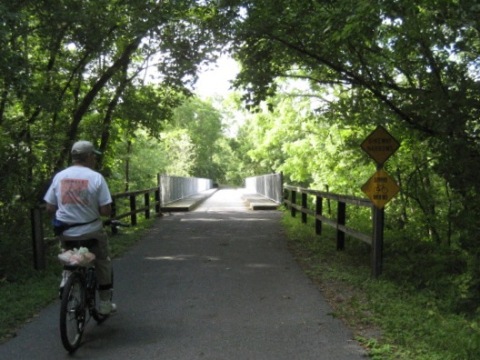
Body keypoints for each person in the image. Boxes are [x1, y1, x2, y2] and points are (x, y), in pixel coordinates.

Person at [44, 140, 116, 315]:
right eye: (94, 157)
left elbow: (50, 207)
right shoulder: (96, 177)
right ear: (89, 157)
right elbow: (106, 210)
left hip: (66, 232)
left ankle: (68, 282)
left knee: (71, 257)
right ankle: (105, 303)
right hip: (91, 231)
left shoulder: (60, 177)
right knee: (101, 261)